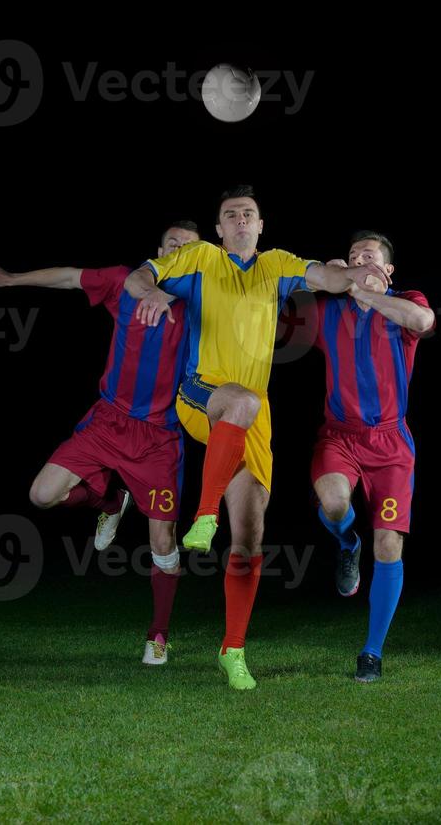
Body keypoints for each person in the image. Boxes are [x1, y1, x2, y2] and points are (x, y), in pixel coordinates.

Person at [124, 187, 389, 689]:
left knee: (248, 539)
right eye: (230, 215)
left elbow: (325, 276)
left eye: (248, 213)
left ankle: (233, 650)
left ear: (260, 225)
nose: (240, 220)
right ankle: (204, 516)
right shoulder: (199, 257)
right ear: (220, 229)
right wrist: (154, 291)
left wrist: (353, 274)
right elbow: (139, 276)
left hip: (253, 416)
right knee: (242, 401)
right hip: (201, 394)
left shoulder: (276, 265)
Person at [0, 220, 200, 665]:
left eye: (187, 247)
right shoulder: (124, 282)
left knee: (163, 544)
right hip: (109, 421)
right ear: (157, 249)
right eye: (171, 243)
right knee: (42, 495)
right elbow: (69, 276)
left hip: (160, 438)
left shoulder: (203, 299)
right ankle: (111, 503)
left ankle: (158, 634)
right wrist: (13, 279)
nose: (177, 249)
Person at [307, 231, 435, 682]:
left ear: (389, 269)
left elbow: (421, 319)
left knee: (389, 544)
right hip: (340, 437)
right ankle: (347, 544)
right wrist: (326, 278)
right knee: (335, 504)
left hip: (391, 443)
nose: (360, 259)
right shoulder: (328, 310)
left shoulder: (404, 301)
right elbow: (284, 291)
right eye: (354, 255)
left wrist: (364, 288)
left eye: (370, 256)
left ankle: (372, 652)